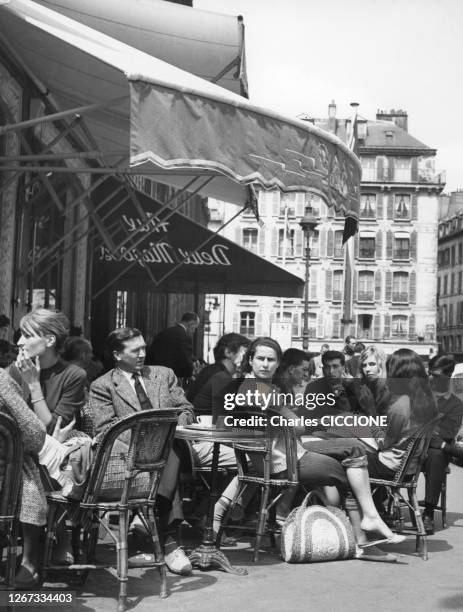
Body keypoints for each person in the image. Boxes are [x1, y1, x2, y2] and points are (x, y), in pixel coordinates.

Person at [232, 337, 404, 559]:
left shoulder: (251, 387)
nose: (265, 364)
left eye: (270, 360)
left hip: (282, 454)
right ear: (250, 360)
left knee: (353, 450)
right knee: (353, 467)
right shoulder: (262, 390)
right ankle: (364, 540)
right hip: (284, 460)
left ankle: (369, 522)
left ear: (278, 363)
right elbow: (299, 427)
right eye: (261, 359)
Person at [89, 327, 195, 575]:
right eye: (135, 350)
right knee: (169, 453)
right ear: (117, 354)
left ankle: (149, 523)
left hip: (168, 446)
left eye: (144, 348)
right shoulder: (103, 386)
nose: (142, 354)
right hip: (128, 454)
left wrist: (176, 424)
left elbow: (186, 408)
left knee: (171, 448)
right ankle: (168, 541)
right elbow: (106, 430)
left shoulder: (163, 375)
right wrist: (147, 439)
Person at [8, 309, 87, 570]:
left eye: (27, 335)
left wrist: (33, 384)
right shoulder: (13, 371)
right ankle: (54, 539)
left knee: (29, 470)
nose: (19, 342)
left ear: (50, 341)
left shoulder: (73, 375)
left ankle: (33, 555)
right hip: (18, 448)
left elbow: (51, 427)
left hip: (55, 454)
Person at [422, 354, 463, 534]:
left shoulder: (456, 404)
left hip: (433, 452)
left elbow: (447, 434)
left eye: (436, 375)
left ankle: (428, 512)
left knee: (437, 456)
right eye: (429, 373)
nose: (430, 378)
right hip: (413, 447)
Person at [147, 312, 200, 380]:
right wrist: (190, 374)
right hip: (169, 377)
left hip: (152, 373)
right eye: (195, 327)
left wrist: (194, 359)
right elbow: (185, 359)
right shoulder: (184, 336)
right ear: (191, 323)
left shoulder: (165, 332)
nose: (194, 331)